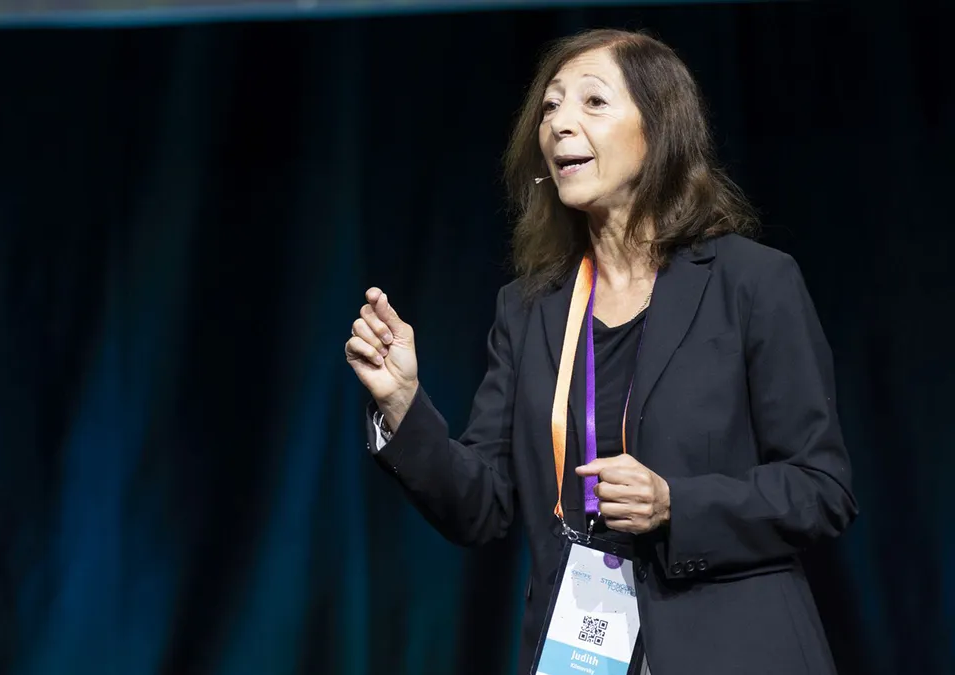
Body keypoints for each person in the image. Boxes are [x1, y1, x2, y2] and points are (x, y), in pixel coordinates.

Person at [344, 27, 857, 675]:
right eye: (551, 105)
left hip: (735, 647)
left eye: (592, 101)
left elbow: (821, 487)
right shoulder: (531, 308)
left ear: (659, 130)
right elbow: (481, 505)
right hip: (582, 652)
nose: (558, 122)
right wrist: (402, 404)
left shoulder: (752, 282)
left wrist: (675, 502)